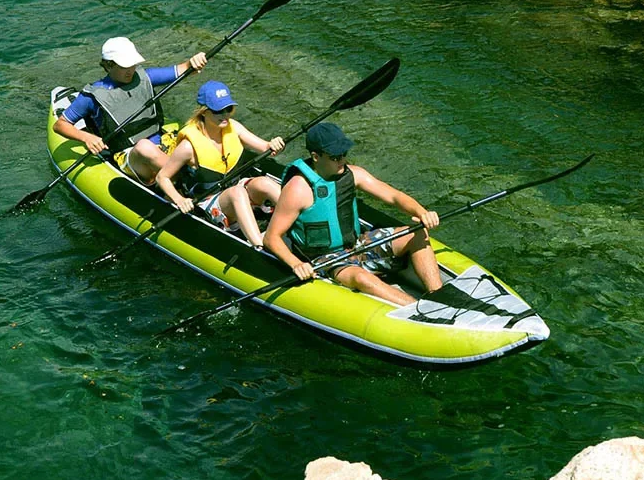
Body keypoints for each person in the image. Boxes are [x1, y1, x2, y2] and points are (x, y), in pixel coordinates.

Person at [264, 122, 443, 306]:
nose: (342, 160)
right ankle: (418, 309)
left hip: (358, 244)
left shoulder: (353, 174)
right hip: (325, 259)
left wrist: (421, 212)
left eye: (344, 154)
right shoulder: (298, 189)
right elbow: (271, 238)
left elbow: (394, 196)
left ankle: (438, 295)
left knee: (417, 233)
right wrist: (296, 264)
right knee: (361, 277)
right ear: (316, 156)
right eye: (335, 157)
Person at [53, 36, 207, 184]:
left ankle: (208, 174)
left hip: (163, 143)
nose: (130, 71)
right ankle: (190, 181)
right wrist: (86, 138)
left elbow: (185, 69)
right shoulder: (91, 97)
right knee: (144, 147)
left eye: (132, 65)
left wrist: (194, 61)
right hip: (129, 155)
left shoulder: (144, 77)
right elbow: (60, 125)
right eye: (124, 67)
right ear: (108, 65)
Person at [155, 80, 285, 249]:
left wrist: (274, 144)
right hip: (209, 201)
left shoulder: (234, 128)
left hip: (235, 187)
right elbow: (162, 177)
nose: (225, 115)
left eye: (228, 109)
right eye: (218, 111)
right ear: (204, 112)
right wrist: (179, 200)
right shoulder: (188, 147)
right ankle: (260, 246)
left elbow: (265, 147)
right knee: (237, 193)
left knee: (265, 183)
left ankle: (304, 222)